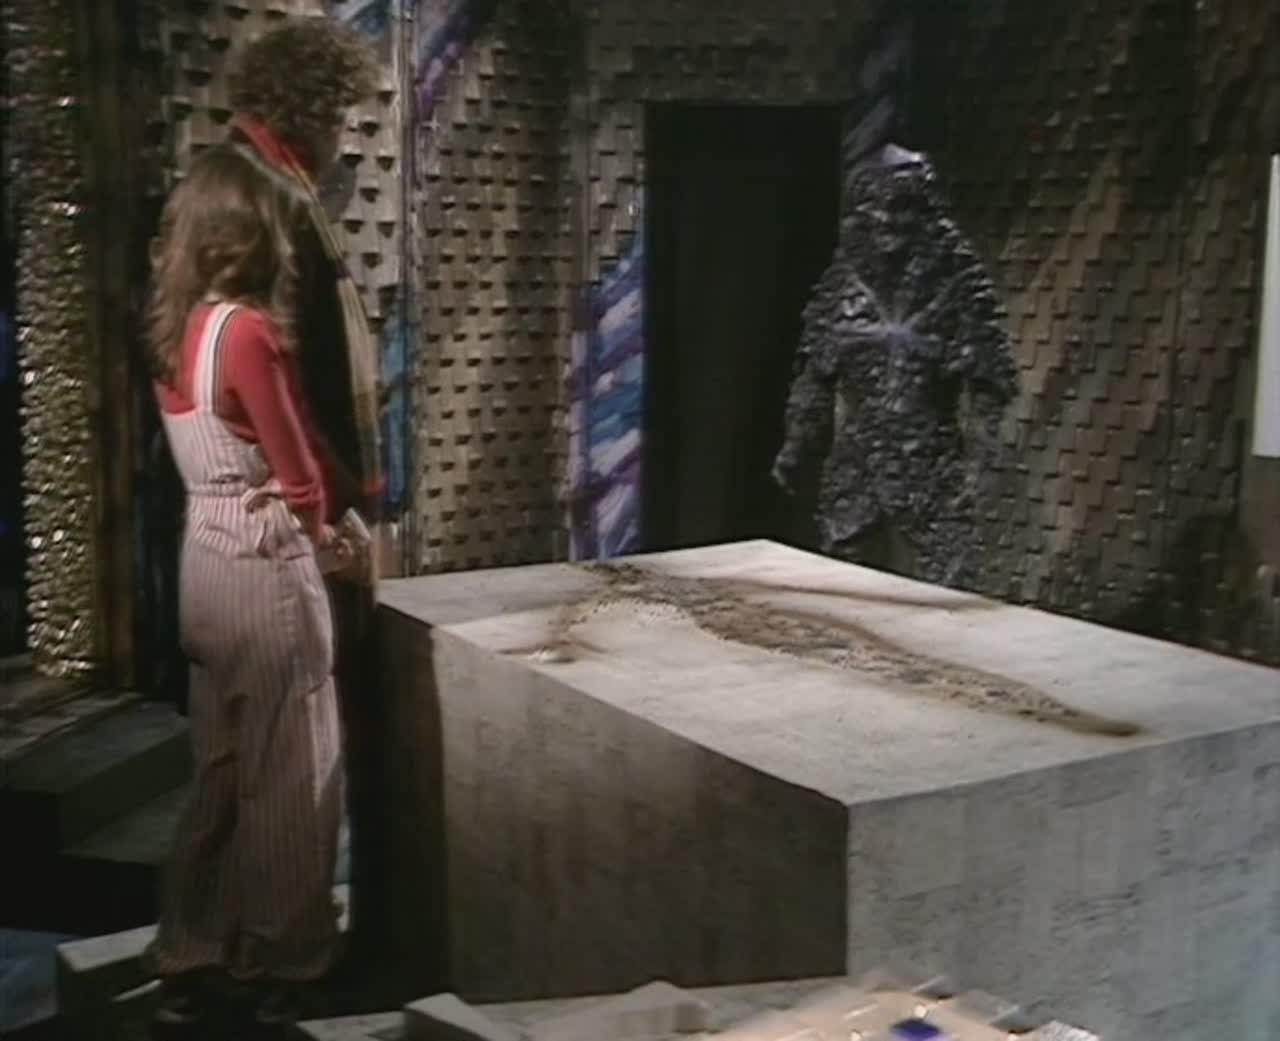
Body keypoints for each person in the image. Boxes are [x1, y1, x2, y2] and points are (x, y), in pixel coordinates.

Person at [144, 19, 380, 1039]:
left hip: (204, 550)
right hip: (266, 550)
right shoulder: (248, 318)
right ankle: (288, 957)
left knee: (222, 768)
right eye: (339, 114)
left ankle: (194, 948)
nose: (344, 137)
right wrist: (338, 530)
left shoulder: (180, 323)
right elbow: (298, 465)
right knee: (295, 773)